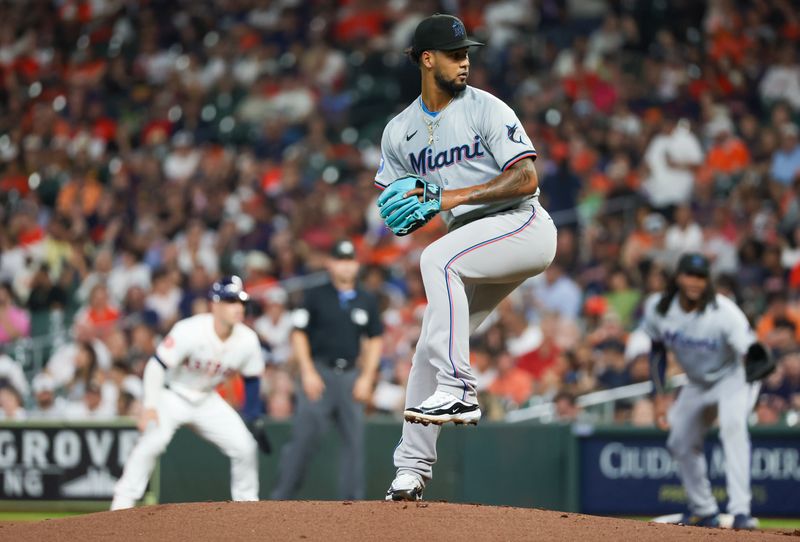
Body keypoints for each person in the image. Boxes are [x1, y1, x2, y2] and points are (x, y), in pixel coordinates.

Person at [374, 14, 557, 501]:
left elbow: (527, 178)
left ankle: (460, 388)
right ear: (427, 59)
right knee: (427, 347)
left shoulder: (486, 108)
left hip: (522, 223)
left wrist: (452, 198)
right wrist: (403, 213)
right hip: (473, 243)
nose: (465, 61)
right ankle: (410, 470)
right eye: (455, 54)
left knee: (438, 260)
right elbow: (396, 203)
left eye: (467, 53)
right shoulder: (399, 132)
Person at [111, 276, 266, 510]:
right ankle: (122, 504)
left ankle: (248, 508)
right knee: (153, 441)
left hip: (207, 399)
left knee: (245, 446)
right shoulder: (191, 330)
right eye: (230, 301)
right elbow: (156, 365)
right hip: (173, 395)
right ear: (214, 305)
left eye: (241, 302)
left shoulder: (247, 340)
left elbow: (252, 377)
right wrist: (151, 406)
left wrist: (253, 415)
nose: (238, 308)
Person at [639, 253, 761, 530]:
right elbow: (657, 351)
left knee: (733, 428)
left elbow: (752, 355)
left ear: (708, 282)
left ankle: (741, 512)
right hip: (696, 382)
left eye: (701, 277)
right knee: (679, 441)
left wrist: (749, 393)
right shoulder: (659, 307)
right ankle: (704, 510)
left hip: (732, 377)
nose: (695, 282)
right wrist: (659, 396)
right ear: (678, 277)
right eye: (690, 275)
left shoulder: (724, 312)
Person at [270, 240, 383, 500]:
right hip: (319, 374)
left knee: (354, 446)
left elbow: (375, 339)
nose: (346, 266)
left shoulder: (366, 298)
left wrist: (367, 377)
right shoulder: (315, 295)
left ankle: (352, 507)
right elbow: (299, 333)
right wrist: (308, 371)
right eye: (340, 260)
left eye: (350, 260)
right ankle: (279, 501)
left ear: (357, 265)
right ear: (330, 263)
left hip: (351, 376)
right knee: (302, 441)